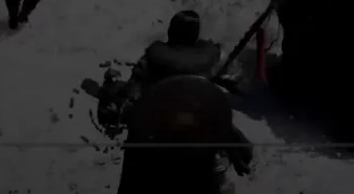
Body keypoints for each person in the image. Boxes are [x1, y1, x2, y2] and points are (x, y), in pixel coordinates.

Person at [106, 10, 252, 194]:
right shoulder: (214, 57)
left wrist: (121, 105)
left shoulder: (153, 58)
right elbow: (238, 82)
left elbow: (133, 92)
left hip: (162, 132)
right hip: (194, 129)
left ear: (171, 31)